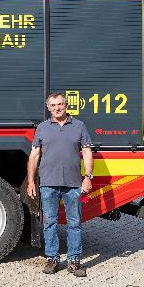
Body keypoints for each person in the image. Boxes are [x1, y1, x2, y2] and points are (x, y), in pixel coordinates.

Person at [27, 92, 93, 277]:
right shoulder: (42, 128)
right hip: (48, 183)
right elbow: (34, 156)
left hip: (73, 184)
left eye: (60, 104)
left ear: (66, 105)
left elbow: (87, 152)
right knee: (50, 223)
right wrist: (31, 181)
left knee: (74, 223)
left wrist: (88, 177)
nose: (57, 108)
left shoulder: (79, 126)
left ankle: (74, 261)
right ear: (48, 108)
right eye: (53, 105)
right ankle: (52, 259)